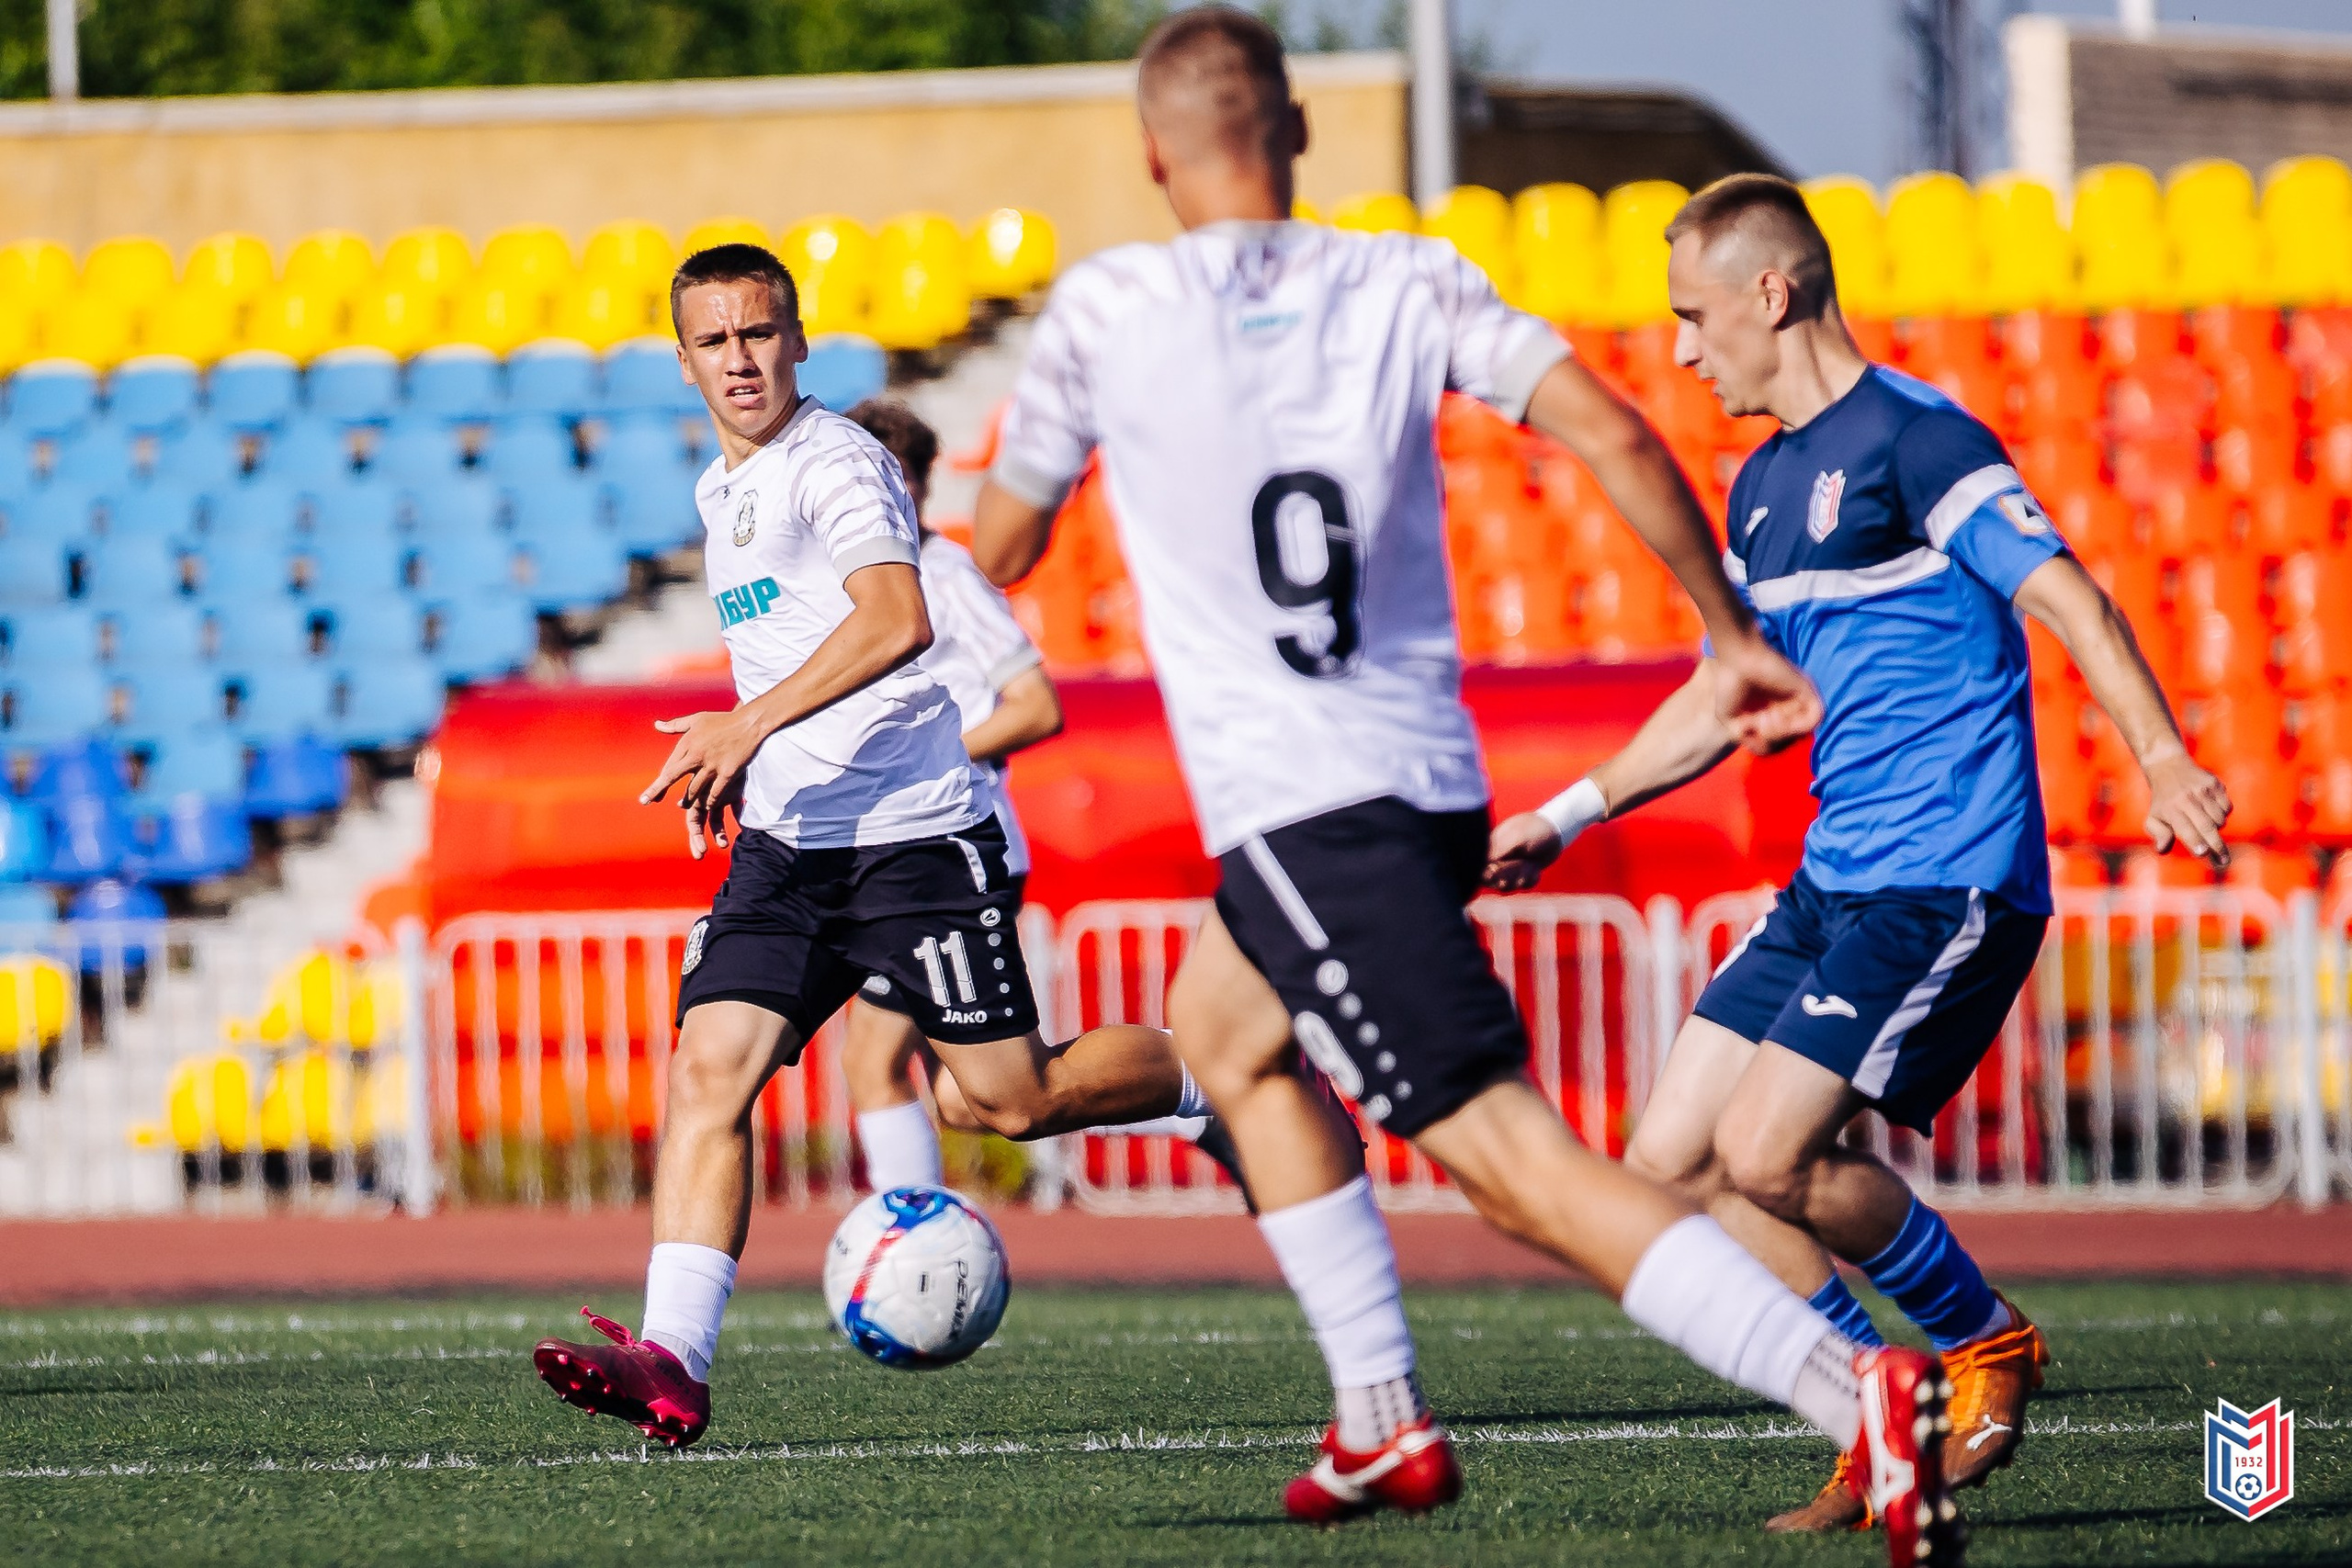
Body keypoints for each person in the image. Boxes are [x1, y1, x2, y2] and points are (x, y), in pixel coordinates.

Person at [971, 13, 1961, 1563]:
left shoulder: (1108, 308)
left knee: (1513, 1165)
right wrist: (1723, 630)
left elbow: (1007, 544)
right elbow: (1617, 432)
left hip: (1307, 806)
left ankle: (1855, 1388)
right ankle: (1380, 1414)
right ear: (1294, 132)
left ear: (1152, 153)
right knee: (1226, 1040)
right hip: (1420, 787)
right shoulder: (1402, 276)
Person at [1485, 172, 2233, 1533]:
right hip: (1837, 879)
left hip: (1944, 871)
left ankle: (1981, 1340)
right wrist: (1570, 807)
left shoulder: (1918, 440)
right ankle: (1871, 1398)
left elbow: (2068, 591)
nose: (1686, 350)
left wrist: (2159, 751)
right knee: (1673, 1155)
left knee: (1769, 1149)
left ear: (1773, 293)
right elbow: (1729, 690)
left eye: (1697, 318)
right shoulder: (1762, 488)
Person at [531, 244, 1216, 1449]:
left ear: (797, 339)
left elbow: (895, 618)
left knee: (1004, 1097)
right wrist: (744, 759)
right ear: (682, 357)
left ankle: (1210, 1075)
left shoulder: (837, 460)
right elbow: (783, 649)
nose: (740, 358)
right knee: (708, 1070)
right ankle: (673, 1360)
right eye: (715, 340)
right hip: (790, 850)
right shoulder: (718, 491)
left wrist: (744, 720)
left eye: (759, 332)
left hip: (910, 844)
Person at [835, 398, 1215, 1189]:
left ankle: (906, 1235)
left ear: (913, 484)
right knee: (964, 1095)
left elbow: (1037, 704)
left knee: (878, 1060)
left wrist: (922, 755)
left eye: (887, 477)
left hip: (960, 852)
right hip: (898, 853)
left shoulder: (943, 575)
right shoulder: (859, 583)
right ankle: (1199, 1097)